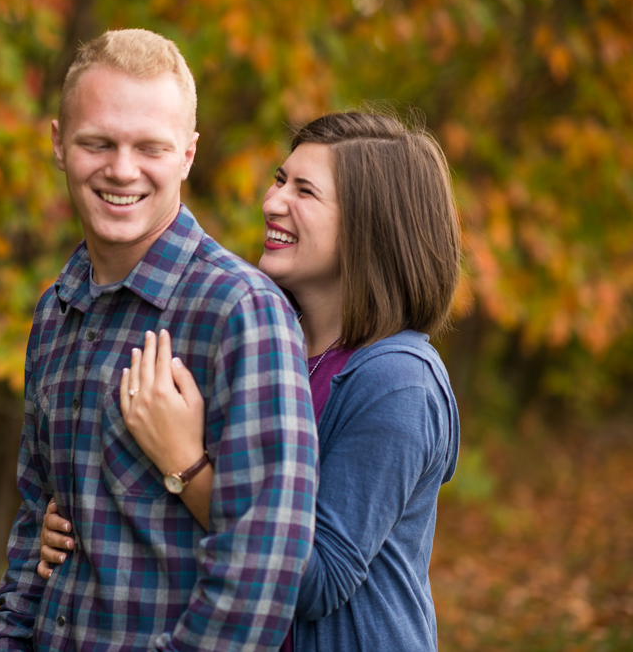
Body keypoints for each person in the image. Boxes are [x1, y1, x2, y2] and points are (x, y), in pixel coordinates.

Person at [39, 111, 462, 652]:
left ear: (370, 225)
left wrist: (185, 465)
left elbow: (313, 580)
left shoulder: (397, 382)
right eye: (280, 179)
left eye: (305, 191)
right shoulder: (258, 336)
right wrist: (79, 518)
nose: (272, 201)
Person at [0, 29, 318, 652]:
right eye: (98, 143)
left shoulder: (241, 312)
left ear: (187, 155)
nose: (122, 169)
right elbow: (35, 530)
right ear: (59, 144)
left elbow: (262, 573)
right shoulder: (57, 311)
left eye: (150, 148)